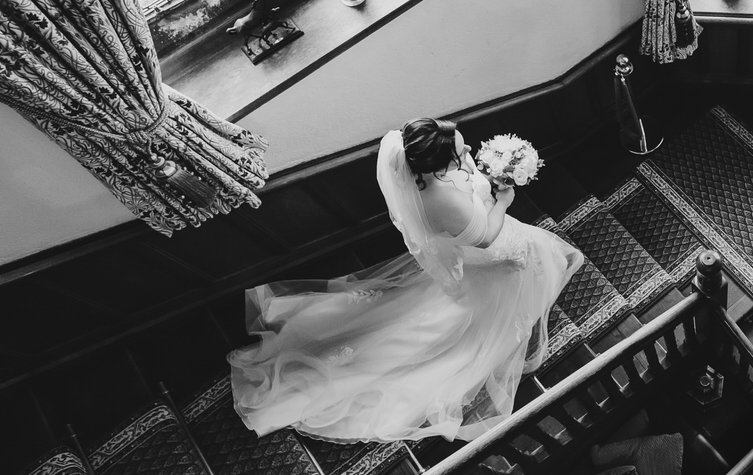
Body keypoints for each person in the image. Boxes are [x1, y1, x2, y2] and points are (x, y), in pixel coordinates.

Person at [229, 118, 583, 444]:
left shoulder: (430, 177)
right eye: (462, 152)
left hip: (475, 248)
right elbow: (487, 238)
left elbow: (468, 196)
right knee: (455, 331)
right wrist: (503, 201)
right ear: (439, 164)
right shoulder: (445, 201)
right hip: (489, 258)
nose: (470, 153)